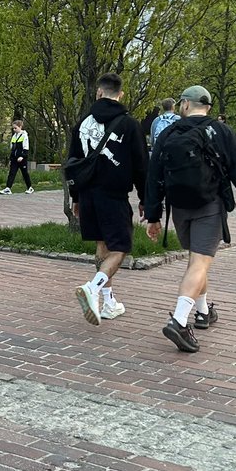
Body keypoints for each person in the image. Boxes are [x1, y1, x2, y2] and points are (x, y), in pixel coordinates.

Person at [145, 85, 236, 352]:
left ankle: (203, 312)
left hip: (179, 208)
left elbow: (154, 175)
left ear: (185, 105)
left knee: (197, 261)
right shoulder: (221, 131)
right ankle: (178, 319)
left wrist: (153, 215)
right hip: (209, 205)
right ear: (207, 107)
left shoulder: (168, 133)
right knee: (199, 263)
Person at [72, 73, 149, 324]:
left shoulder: (82, 123)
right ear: (121, 94)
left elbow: (73, 162)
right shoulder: (130, 125)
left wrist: (75, 197)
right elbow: (141, 166)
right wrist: (146, 199)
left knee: (102, 246)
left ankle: (109, 303)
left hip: (87, 194)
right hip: (113, 195)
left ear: (99, 92)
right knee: (121, 247)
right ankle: (93, 288)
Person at [0, 120, 34, 194]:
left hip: (22, 159)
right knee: (12, 173)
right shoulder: (14, 136)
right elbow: (12, 148)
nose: (14, 130)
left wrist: (22, 156)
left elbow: (26, 148)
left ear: (20, 127)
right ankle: (8, 188)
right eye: (13, 128)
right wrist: (11, 158)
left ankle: (30, 187)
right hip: (14, 159)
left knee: (25, 173)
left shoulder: (24, 136)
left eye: (15, 128)